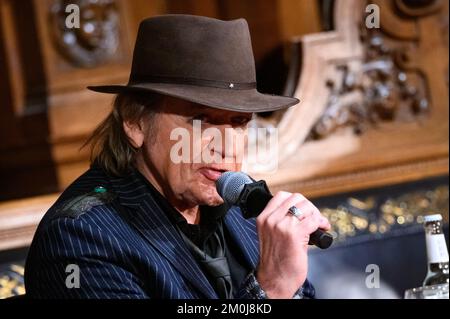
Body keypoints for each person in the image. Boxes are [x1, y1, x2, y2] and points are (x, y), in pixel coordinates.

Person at [25, 14, 330, 299]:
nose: (225, 147)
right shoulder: (81, 237)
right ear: (134, 121)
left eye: (238, 122)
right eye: (200, 120)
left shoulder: (243, 206)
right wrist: (271, 289)